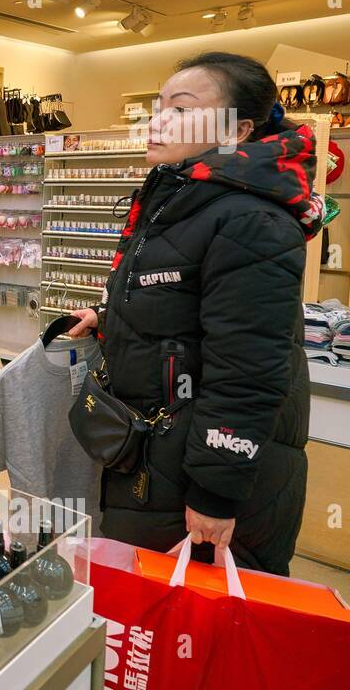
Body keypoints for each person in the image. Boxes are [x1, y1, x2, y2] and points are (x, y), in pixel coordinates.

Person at [68, 51, 319, 575]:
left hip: (201, 476)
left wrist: (215, 491)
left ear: (238, 129)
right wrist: (111, 316)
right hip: (160, 455)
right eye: (158, 107)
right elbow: (184, 302)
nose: (157, 121)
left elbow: (249, 366)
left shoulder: (250, 218)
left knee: (195, 629)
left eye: (181, 110)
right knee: (149, 623)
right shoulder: (184, 194)